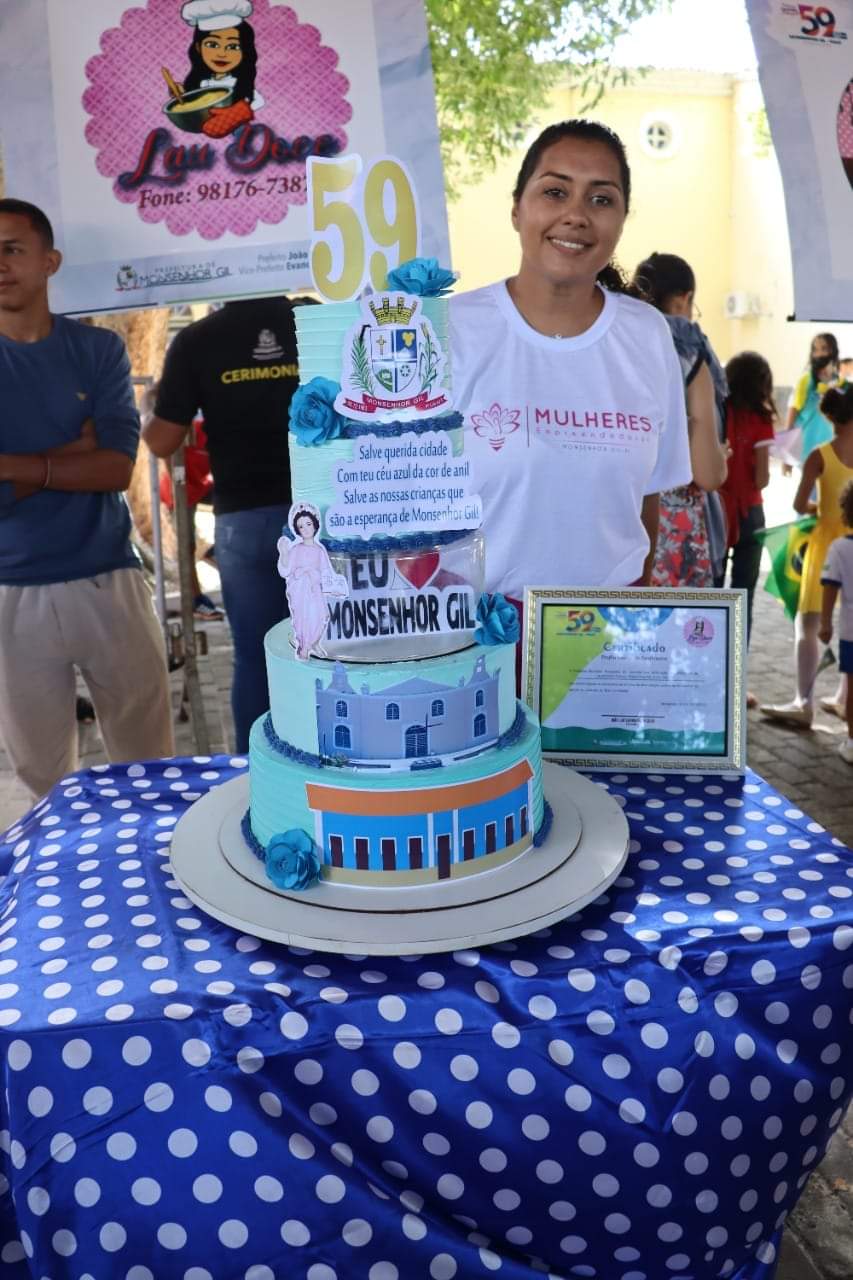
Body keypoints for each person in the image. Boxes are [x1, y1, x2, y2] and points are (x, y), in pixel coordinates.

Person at [449, 119, 691, 613]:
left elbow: (647, 503)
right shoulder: (452, 330)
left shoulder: (647, 334)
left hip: (606, 642)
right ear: (517, 209)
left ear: (623, 220)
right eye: (555, 192)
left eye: (601, 199)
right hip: (475, 643)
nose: (577, 215)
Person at [0, 197, 174, 799]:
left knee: (148, 763)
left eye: (12, 249)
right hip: (10, 589)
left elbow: (114, 468)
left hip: (109, 578)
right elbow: (91, 463)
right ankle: (56, 891)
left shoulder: (98, 351)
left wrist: (15, 469)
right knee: (42, 779)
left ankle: (155, 878)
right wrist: (67, 458)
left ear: (50, 261)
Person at [144, 295, 307, 752]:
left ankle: (254, 774)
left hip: (243, 521)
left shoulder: (197, 340)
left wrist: (145, 412)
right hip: (323, 518)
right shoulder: (313, 319)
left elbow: (162, 440)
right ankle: (330, 769)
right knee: (327, 654)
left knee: (256, 659)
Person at [631, 253, 729, 588]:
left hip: (613, 532)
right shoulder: (688, 347)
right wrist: (719, 455)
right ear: (684, 298)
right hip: (674, 536)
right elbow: (707, 473)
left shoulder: (613, 336)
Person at [761, 384, 853, 728]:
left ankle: (804, 701)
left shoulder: (820, 455)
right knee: (851, 624)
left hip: (825, 545)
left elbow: (800, 505)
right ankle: (845, 698)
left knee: (808, 626)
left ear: (831, 417)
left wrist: (821, 508)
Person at [719, 351, 776, 642]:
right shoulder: (762, 419)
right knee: (743, 595)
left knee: (711, 593)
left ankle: (707, 669)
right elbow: (762, 479)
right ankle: (736, 672)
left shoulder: (718, 411)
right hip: (750, 514)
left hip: (716, 511)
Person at [178, 0, 263, 139]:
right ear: (199, 47)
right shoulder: (200, 84)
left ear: (245, 51)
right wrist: (182, 94)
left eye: (233, 47)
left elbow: (256, 105)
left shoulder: (243, 87)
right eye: (212, 44)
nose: (222, 53)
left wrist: (239, 113)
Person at [276, 506, 347, 660]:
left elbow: (326, 571)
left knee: (322, 616)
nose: (306, 529)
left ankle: (314, 642)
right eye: (301, 526)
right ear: (297, 530)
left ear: (315, 525)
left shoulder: (320, 550)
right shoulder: (296, 550)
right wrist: (285, 554)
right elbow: (287, 571)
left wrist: (316, 574)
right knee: (304, 618)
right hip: (301, 591)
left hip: (316, 589)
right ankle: (305, 646)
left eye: (308, 524)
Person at [819, 479, 853, 763]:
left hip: (850, 632)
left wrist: (825, 623)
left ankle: (852, 740)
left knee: (852, 688)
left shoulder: (840, 548)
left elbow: (830, 588)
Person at [780, 333, 843, 468]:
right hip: (806, 453)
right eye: (815, 350)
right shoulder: (805, 381)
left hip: (834, 454)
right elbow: (792, 416)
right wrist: (786, 454)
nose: (819, 354)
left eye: (824, 348)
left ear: (833, 351)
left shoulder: (840, 382)